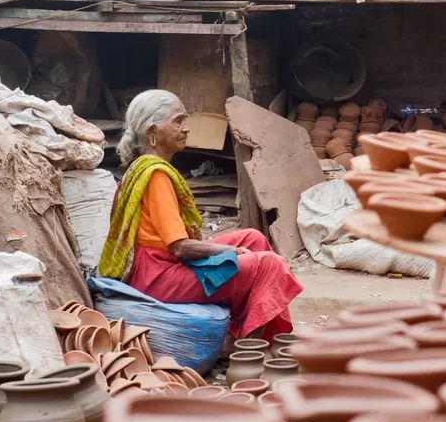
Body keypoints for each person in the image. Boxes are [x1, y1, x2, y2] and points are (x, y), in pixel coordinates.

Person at [98, 89, 303, 343]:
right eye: (177, 121)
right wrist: (225, 253)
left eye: (184, 119)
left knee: (253, 239)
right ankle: (250, 341)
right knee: (271, 265)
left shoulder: (148, 168)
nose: (185, 128)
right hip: (158, 276)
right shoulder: (156, 176)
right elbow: (180, 247)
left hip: (158, 264)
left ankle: (266, 335)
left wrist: (231, 251)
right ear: (152, 133)